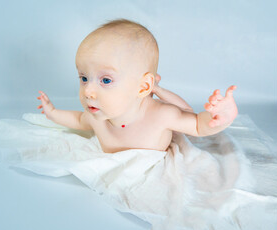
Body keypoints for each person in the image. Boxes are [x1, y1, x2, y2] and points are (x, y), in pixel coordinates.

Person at [36, 19, 238, 153]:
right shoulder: (96, 115)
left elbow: (197, 125)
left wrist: (221, 118)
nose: (88, 91)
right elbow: (78, 120)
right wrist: (52, 112)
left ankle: (157, 89)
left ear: (142, 87)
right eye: (84, 78)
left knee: (183, 111)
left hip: (153, 165)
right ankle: (154, 88)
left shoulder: (160, 115)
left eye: (106, 80)